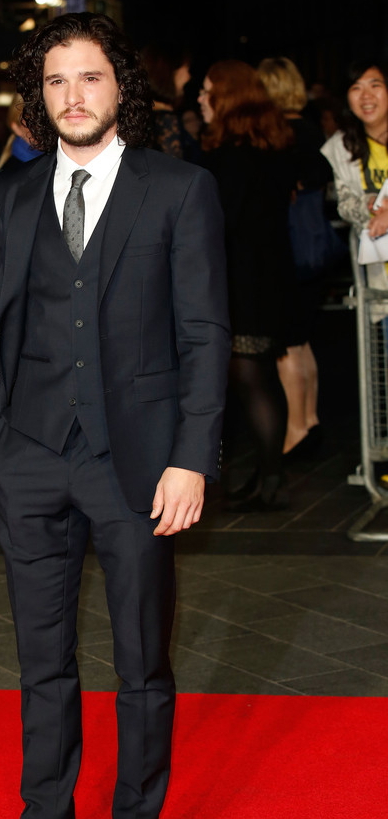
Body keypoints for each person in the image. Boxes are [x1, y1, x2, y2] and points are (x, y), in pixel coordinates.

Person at [0, 13, 230, 819]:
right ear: (41, 95)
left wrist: (190, 459)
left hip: (137, 465)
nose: (73, 97)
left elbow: (202, 333)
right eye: (57, 82)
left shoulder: (178, 190)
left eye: (92, 79)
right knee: (41, 660)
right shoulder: (17, 193)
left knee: (142, 665)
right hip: (29, 459)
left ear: (121, 89)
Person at [197, 60, 295, 510]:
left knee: (252, 378)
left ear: (227, 97)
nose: (200, 98)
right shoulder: (267, 147)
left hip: (243, 281)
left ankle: (270, 480)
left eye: (207, 90)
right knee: (259, 378)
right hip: (264, 276)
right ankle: (266, 475)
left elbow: (222, 222)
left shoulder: (233, 154)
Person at [258, 56, 334, 457]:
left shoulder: (282, 134)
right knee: (302, 341)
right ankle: (310, 421)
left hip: (289, 250)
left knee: (288, 343)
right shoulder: (312, 130)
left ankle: (296, 428)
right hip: (312, 250)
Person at [321, 62, 388, 290]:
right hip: (381, 276)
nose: (366, 96)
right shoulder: (342, 147)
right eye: (356, 88)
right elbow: (345, 206)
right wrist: (369, 203)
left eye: (375, 85)